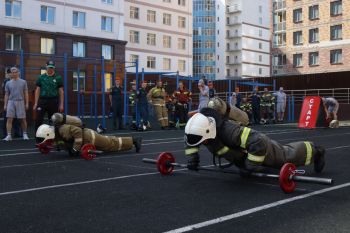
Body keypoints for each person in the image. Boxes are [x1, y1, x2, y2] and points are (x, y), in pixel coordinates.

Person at [184, 108, 326, 175]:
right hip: (241, 152)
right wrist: (192, 159)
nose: (202, 144)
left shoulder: (230, 131)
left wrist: (250, 165)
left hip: (258, 146)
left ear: (210, 131)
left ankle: (316, 151)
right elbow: (191, 142)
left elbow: (258, 141)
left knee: (283, 157)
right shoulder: (198, 128)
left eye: (203, 142)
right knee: (250, 168)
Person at [36, 113, 142, 156]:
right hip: (86, 138)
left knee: (111, 145)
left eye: (42, 138)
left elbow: (77, 132)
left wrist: (75, 149)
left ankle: (133, 140)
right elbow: (61, 142)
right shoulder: (56, 134)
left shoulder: (63, 129)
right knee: (109, 141)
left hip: (90, 137)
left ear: (48, 134)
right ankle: (132, 140)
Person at [33, 60, 64, 133]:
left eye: (52, 67)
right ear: (46, 66)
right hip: (42, 101)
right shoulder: (41, 77)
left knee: (53, 119)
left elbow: (61, 91)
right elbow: (37, 90)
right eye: (49, 67)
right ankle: (37, 135)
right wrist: (36, 103)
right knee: (39, 119)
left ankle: (53, 136)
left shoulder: (58, 77)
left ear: (54, 67)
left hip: (53, 101)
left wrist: (61, 104)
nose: (50, 69)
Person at [3, 67, 29, 141]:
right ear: (10, 73)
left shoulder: (23, 82)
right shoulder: (8, 83)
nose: (14, 73)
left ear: (18, 73)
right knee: (9, 119)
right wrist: (5, 104)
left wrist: (26, 103)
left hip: (20, 101)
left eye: (15, 72)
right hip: (11, 102)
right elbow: (6, 94)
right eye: (12, 72)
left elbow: (26, 93)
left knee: (23, 119)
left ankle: (25, 134)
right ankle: (9, 135)